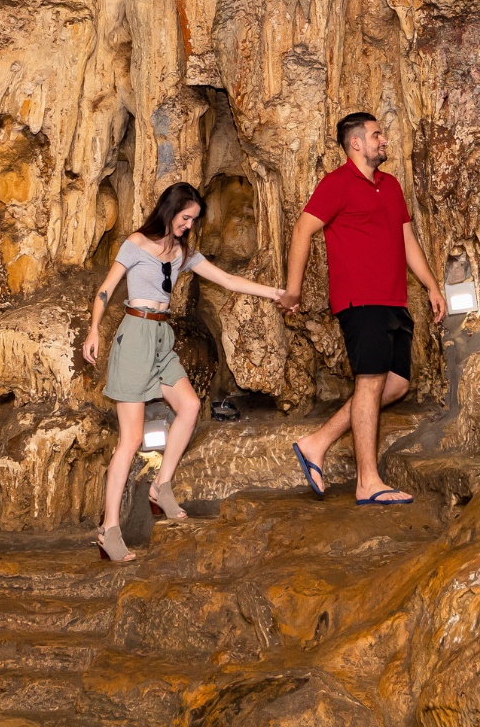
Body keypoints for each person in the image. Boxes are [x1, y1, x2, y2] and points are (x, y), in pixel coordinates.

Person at [82, 181, 287, 561]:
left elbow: (226, 280)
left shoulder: (183, 253)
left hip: (162, 335)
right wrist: (93, 330)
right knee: (130, 441)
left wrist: (275, 293)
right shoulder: (136, 243)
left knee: (189, 407)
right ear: (170, 209)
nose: (188, 225)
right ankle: (108, 528)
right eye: (185, 217)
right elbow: (106, 289)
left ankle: (162, 486)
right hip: (135, 333)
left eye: (193, 220)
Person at [279, 112, 445, 505]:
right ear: (356, 143)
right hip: (360, 300)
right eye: (376, 135)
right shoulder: (336, 184)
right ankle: (367, 482)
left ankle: (316, 443)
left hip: (394, 300)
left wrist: (431, 286)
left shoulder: (391, 186)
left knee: (397, 384)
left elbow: (407, 240)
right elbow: (303, 228)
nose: (383, 140)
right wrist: (293, 289)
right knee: (370, 382)